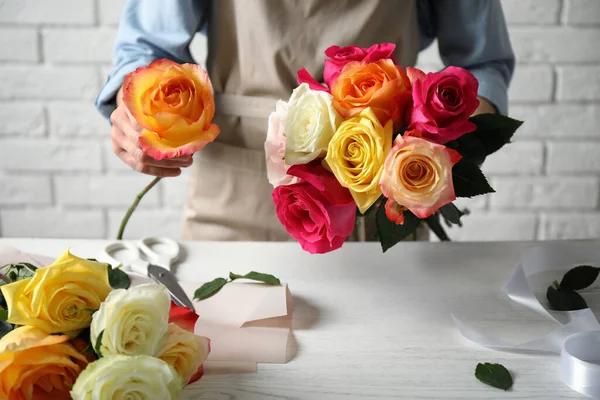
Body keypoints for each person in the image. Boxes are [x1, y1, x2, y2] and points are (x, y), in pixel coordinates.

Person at [96, 0, 515, 242]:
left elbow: (482, 63)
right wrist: (134, 113)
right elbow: (146, 45)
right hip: (231, 201)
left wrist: (447, 146)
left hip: (376, 200)